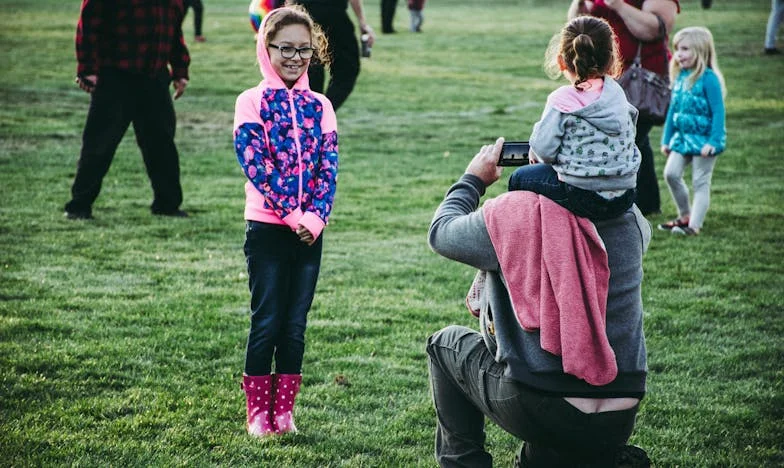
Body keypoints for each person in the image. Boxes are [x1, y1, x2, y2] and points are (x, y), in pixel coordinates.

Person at [427, 138, 652, 467]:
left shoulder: (516, 213)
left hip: (543, 403)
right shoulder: (630, 217)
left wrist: (473, 178)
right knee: (546, 451)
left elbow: (441, 231)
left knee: (445, 345)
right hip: (621, 411)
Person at [233, 6, 338, 437]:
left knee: (295, 328)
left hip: (309, 233)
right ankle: (258, 414)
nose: (295, 57)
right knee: (267, 322)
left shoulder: (322, 105)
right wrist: (293, 215)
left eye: (305, 50)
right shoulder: (251, 101)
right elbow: (255, 164)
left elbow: (328, 168)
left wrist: (315, 218)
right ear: (266, 47)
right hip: (267, 230)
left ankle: (284, 413)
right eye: (286, 48)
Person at [64, 0, 190, 220]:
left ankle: (167, 204)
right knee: (99, 144)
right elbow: (89, 24)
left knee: (161, 144)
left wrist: (180, 69)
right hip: (115, 75)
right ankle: (79, 206)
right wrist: (87, 68)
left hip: (154, 77)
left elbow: (173, 30)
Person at [508, 16, 640, 221]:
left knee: (519, 177)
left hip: (582, 196)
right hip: (625, 195)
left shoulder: (562, 99)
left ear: (561, 61)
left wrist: (536, 149)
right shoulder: (617, 95)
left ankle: (536, 236)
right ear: (612, 59)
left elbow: (545, 151)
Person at [568, 0, 680, 217]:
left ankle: (626, 203)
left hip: (641, 77)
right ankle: (646, 204)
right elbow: (577, 24)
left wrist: (618, 4)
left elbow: (655, 29)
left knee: (630, 136)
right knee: (636, 139)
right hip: (608, 76)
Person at [658, 27, 726, 236]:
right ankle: (685, 215)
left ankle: (693, 226)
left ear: (700, 50)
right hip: (682, 139)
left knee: (700, 181)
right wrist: (667, 139)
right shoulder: (680, 77)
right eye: (677, 49)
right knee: (671, 174)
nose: (678, 54)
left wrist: (713, 141)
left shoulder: (709, 79)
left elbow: (718, 112)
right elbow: (673, 111)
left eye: (685, 49)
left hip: (704, 141)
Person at [290, 0, 376, 111]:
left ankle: (314, 113)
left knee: (310, 70)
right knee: (347, 69)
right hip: (333, 16)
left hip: (304, 13)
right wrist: (362, 22)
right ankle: (321, 113)